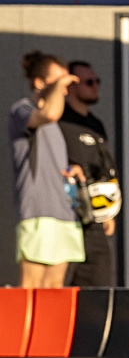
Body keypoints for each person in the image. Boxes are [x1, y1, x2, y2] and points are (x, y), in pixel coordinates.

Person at [9, 53, 83, 287]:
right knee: (31, 286)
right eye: (59, 81)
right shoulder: (23, 110)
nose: (65, 87)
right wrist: (59, 87)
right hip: (38, 212)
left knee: (55, 288)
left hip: (63, 212)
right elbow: (48, 114)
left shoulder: (57, 124)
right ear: (40, 83)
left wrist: (71, 172)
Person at [60, 60, 118, 287]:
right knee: (65, 280)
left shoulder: (95, 124)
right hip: (69, 214)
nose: (95, 86)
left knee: (99, 277)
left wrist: (108, 212)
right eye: (89, 82)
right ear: (71, 86)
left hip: (95, 213)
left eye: (97, 81)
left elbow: (104, 168)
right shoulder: (60, 121)